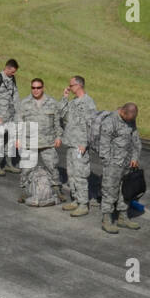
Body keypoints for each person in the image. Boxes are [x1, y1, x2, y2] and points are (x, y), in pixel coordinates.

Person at [15, 78, 62, 204]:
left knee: (52, 166)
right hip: (30, 142)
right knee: (26, 168)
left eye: (38, 87)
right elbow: (19, 122)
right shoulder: (24, 103)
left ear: (43, 88)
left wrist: (58, 137)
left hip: (47, 141)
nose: (36, 90)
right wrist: (18, 139)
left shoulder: (52, 102)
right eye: (33, 88)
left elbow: (57, 122)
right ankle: (24, 191)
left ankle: (56, 189)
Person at [97, 104, 141, 234]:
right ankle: (107, 219)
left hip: (128, 163)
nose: (130, 122)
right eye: (128, 119)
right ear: (123, 112)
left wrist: (135, 157)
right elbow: (104, 146)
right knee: (110, 191)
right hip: (113, 164)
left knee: (126, 191)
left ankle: (123, 217)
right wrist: (109, 164)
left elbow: (135, 139)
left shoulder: (131, 118)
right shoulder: (110, 122)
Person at [59, 77, 97, 216]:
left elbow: (92, 126)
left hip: (80, 145)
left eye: (71, 85)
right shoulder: (73, 102)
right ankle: (75, 199)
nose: (69, 87)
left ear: (79, 85)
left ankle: (83, 204)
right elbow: (62, 114)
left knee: (80, 174)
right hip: (71, 143)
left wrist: (85, 143)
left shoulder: (88, 103)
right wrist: (64, 97)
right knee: (72, 174)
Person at [0, 60, 21, 177]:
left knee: (10, 141)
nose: (13, 74)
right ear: (7, 68)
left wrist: (18, 112)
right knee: (0, 141)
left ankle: (8, 163)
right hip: (0, 116)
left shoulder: (12, 79)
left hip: (11, 116)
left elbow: (15, 96)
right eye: (12, 71)